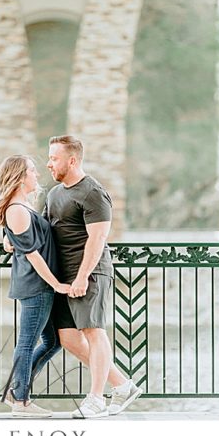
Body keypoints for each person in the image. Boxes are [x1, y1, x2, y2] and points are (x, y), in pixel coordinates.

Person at [44, 135, 141, 418]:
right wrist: (9, 236)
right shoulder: (54, 194)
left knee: (93, 332)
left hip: (91, 272)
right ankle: (123, 386)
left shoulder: (92, 192)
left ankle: (96, 398)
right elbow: (41, 228)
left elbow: (98, 238)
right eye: (50, 158)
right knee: (69, 339)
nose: (50, 164)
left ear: (72, 160)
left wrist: (83, 276)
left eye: (54, 158)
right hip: (62, 278)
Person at [0, 156, 70, 417]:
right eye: (32, 171)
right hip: (36, 286)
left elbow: (17, 234)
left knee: (53, 341)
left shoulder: (22, 206)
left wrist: (6, 237)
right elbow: (34, 254)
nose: (37, 174)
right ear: (20, 176)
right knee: (27, 343)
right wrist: (56, 284)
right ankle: (20, 401)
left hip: (39, 285)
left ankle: (16, 391)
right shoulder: (17, 208)